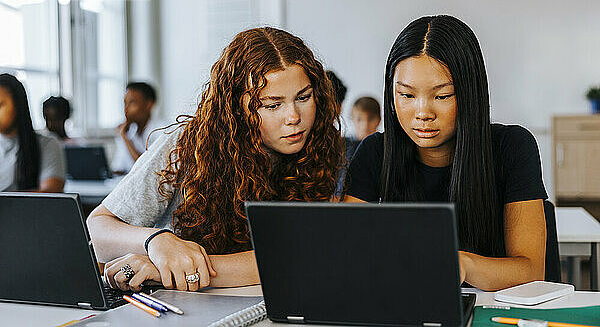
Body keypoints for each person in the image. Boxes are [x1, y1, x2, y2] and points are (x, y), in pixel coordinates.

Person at [87, 27, 344, 292]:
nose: (293, 117)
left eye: (303, 97)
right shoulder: (186, 145)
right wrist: (156, 241)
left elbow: (293, 256)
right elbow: (98, 229)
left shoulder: (318, 148)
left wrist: (174, 271)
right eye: (272, 105)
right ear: (236, 105)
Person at [343, 15, 547, 291]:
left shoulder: (512, 147)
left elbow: (531, 270)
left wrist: (462, 264)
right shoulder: (374, 152)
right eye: (406, 95)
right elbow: (344, 253)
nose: (422, 113)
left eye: (442, 96)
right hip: (405, 307)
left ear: (469, 93)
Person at [0, 74, 66, 192]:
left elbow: (50, 193)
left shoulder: (47, 144)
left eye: (0, 105)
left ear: (18, 104)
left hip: (24, 211)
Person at [111, 82, 162, 174]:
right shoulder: (128, 131)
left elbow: (146, 168)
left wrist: (125, 138)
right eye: (125, 103)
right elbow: (118, 168)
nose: (126, 109)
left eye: (132, 103)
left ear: (149, 105)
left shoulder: (162, 131)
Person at [346, 96, 381, 160]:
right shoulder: (341, 147)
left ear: (379, 120)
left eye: (371, 119)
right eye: (359, 119)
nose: (365, 126)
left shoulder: (386, 148)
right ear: (352, 119)